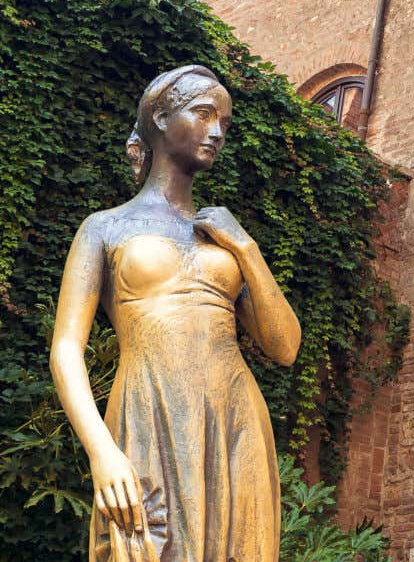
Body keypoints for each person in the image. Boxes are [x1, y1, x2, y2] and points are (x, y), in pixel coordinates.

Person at [50, 65, 301, 562]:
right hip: (150, 410)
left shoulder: (223, 238)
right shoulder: (105, 227)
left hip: (234, 418)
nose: (216, 132)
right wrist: (101, 450)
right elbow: (65, 349)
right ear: (161, 117)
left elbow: (285, 347)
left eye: (224, 124)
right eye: (204, 114)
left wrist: (247, 250)